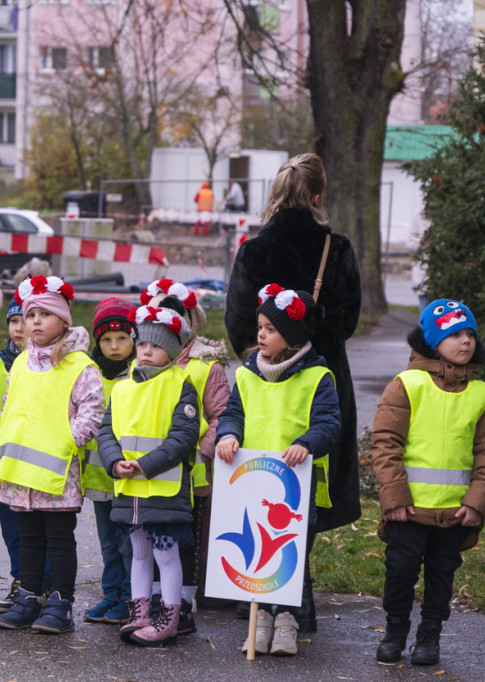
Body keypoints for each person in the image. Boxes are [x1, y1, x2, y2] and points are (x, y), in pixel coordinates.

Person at [224, 152, 362, 632]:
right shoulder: (338, 249)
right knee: (307, 484)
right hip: (322, 381)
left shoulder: (253, 251)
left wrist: (266, 354)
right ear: (319, 196)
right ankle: (293, 598)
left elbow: (238, 325)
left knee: (262, 485)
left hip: (263, 385)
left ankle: (262, 592)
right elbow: (346, 322)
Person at [370, 300, 485, 666]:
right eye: (455, 334)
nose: (466, 342)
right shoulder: (407, 385)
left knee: (442, 577)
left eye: (470, 334)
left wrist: (478, 503)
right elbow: (385, 444)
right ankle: (395, 630)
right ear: (433, 341)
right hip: (408, 511)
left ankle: (429, 636)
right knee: (399, 572)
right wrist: (394, 497)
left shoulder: (481, 394)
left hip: (455, 512)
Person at [215, 284, 340, 656]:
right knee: (257, 553)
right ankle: (261, 620)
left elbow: (329, 423)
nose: (261, 334)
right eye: (260, 327)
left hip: (295, 488)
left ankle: (287, 619)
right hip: (253, 484)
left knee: (289, 555)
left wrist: (307, 443)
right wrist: (228, 435)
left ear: (293, 335)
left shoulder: (317, 377)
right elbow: (233, 413)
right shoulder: (247, 374)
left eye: (270, 328)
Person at [0, 276, 105, 635]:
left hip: (57, 473)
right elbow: (12, 403)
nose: (34, 321)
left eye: (44, 314)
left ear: (65, 322)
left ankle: (60, 601)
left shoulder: (79, 366)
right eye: (30, 314)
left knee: (58, 537)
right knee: (28, 538)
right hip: (21, 472)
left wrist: (68, 440)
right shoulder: (22, 362)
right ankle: (29, 596)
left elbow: (92, 410)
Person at [98, 297, 200, 647]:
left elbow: (183, 437)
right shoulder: (124, 388)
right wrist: (114, 462)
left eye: (155, 346)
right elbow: (106, 431)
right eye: (141, 343)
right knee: (139, 553)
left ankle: (170, 616)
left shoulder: (180, 386)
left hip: (163, 489)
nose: (145, 351)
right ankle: (139, 612)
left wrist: (146, 465)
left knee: (165, 554)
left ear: (171, 351)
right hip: (129, 490)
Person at [144, 279, 231, 633]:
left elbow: (220, 416)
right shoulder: (146, 363)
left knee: (185, 539)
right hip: (150, 471)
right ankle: (152, 597)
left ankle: (183, 600)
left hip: (192, 473)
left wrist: (200, 452)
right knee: (151, 539)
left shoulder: (205, 367)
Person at [82, 297, 136, 625]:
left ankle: (131, 598)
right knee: (108, 542)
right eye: (106, 339)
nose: (114, 347)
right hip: (99, 478)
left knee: (129, 541)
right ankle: (111, 594)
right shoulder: (91, 375)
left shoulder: (138, 376)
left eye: (122, 338)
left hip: (128, 476)